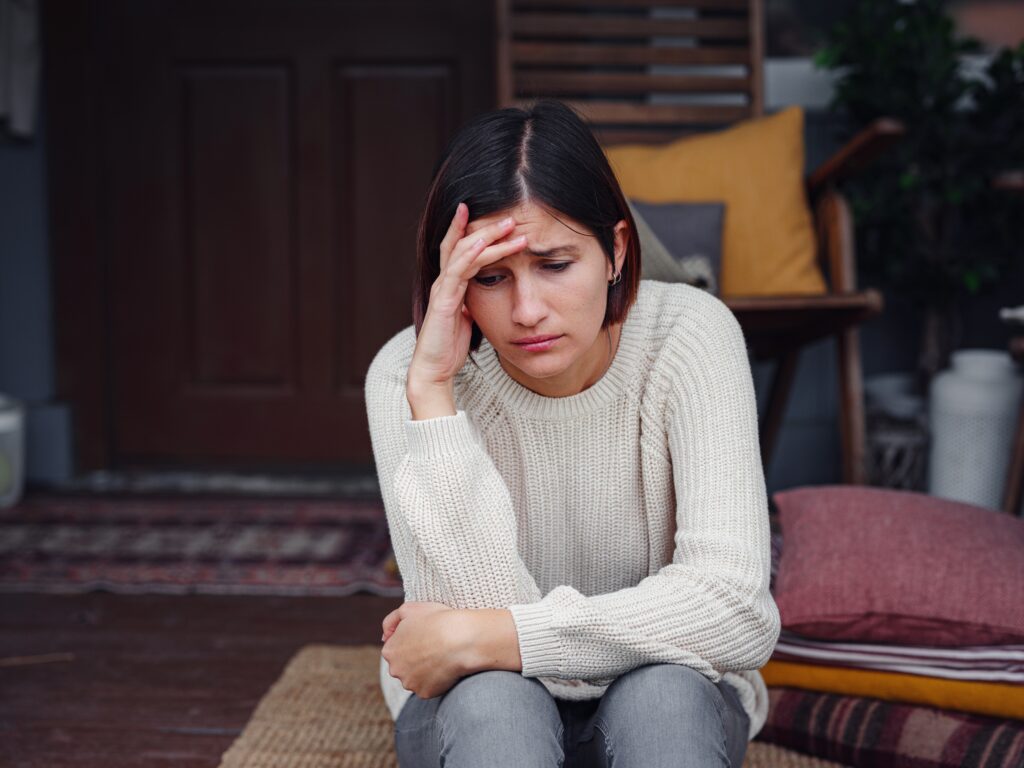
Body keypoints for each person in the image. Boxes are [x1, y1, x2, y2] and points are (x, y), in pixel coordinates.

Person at [364, 98, 781, 767]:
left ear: (615, 249)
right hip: (476, 706)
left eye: (555, 265)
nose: (527, 311)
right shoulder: (405, 377)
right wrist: (433, 392)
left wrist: (493, 637)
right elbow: (468, 641)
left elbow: (735, 610)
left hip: (666, 693)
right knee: (493, 703)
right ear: (455, 283)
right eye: (491, 278)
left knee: (664, 700)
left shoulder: (691, 338)